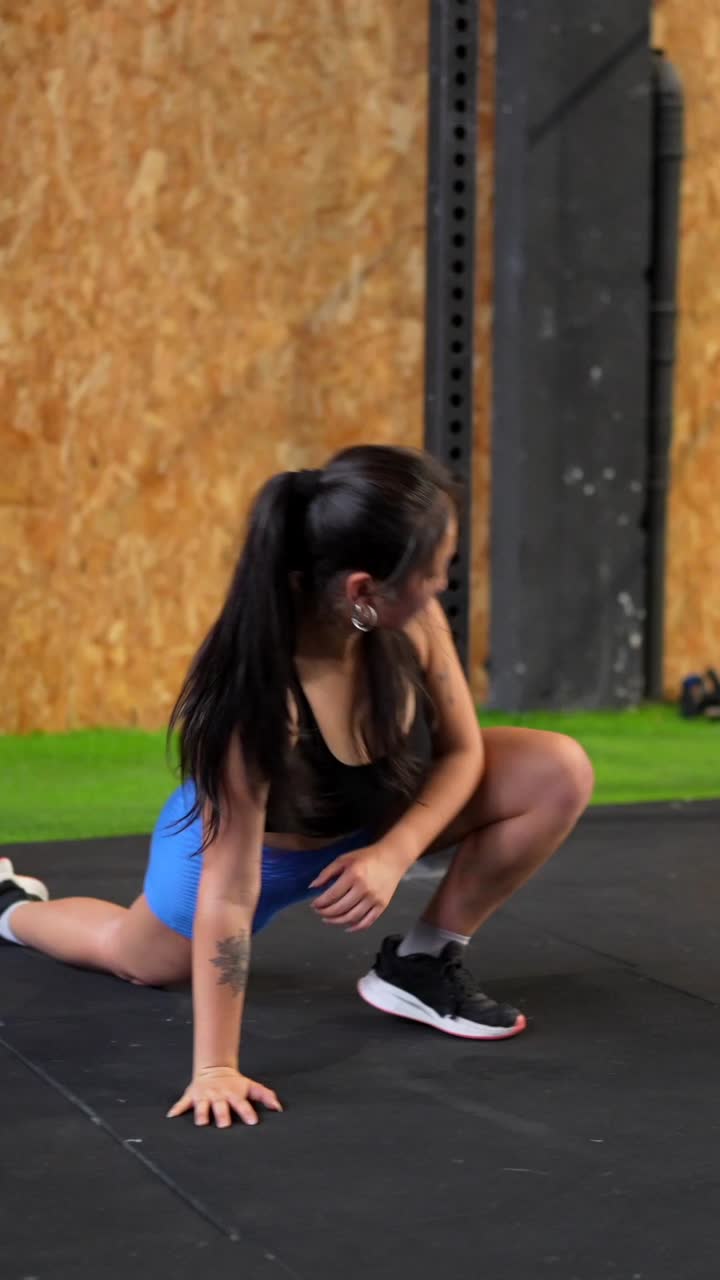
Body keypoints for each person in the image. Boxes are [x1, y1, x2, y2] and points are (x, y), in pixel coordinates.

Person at [0, 445, 594, 1129]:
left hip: (378, 817)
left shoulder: (411, 622)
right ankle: (9, 904)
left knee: (557, 769)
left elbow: (462, 752)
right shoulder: (259, 700)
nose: (443, 587)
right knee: (137, 959)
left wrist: (394, 853)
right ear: (363, 591)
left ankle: (422, 963)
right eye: (435, 573)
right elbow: (226, 892)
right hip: (250, 854)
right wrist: (216, 1067)